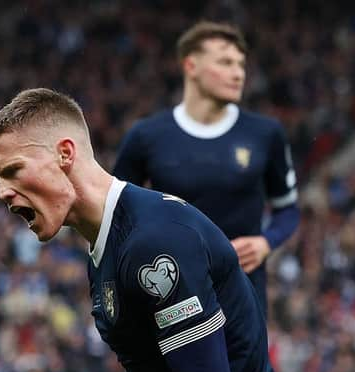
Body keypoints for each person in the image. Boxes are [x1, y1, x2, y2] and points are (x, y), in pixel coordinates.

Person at [0, 88, 293, 372]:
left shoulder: (153, 240)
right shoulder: (107, 247)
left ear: (65, 154)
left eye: (12, 170)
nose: (1, 194)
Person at [113, 21, 300, 317]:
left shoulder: (265, 133)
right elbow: (114, 214)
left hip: (244, 298)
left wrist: (266, 241)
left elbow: (288, 210)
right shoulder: (146, 137)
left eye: (241, 64)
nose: (238, 73)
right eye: (225, 62)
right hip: (171, 298)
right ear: (191, 66)